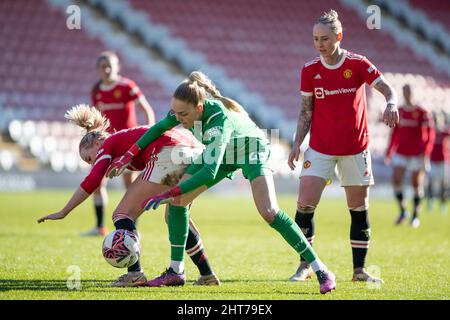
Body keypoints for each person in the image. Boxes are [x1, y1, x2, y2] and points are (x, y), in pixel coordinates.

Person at [107, 71, 337, 294]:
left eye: (183, 115)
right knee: (177, 203)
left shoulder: (218, 118)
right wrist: (130, 153)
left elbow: (208, 171)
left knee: (269, 211)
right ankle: (176, 272)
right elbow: (158, 128)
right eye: (175, 114)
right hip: (222, 154)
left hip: (251, 148)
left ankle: (320, 269)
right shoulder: (184, 112)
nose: (178, 119)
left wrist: (166, 192)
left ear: (199, 108)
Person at [37, 104, 220, 287]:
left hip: (167, 153)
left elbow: (92, 181)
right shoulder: (121, 140)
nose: (92, 164)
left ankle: (135, 273)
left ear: (96, 144)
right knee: (177, 218)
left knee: (122, 215)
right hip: (195, 154)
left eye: (89, 159)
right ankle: (206, 274)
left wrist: (64, 211)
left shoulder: (106, 144)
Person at [287, 10, 399, 284]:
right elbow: (305, 111)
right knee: (304, 205)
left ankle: (359, 271)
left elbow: (386, 88)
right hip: (321, 148)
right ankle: (305, 265)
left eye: (325, 39)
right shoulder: (310, 70)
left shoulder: (358, 63)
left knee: (358, 209)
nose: (319, 44)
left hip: (355, 148)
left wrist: (392, 103)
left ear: (339, 36)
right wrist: (296, 144)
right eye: (315, 39)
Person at [83, 51, 156, 237]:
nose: (106, 70)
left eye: (109, 66)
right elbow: (96, 118)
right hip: (105, 145)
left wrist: (150, 130)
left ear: (117, 68)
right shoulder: (96, 90)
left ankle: (133, 228)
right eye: (102, 66)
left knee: (131, 187)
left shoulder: (127, 86)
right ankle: (100, 226)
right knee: (97, 183)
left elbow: (145, 108)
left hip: (128, 146)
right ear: (97, 70)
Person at [385, 84, 435, 228]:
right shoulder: (398, 110)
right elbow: (394, 133)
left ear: (413, 93)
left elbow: (430, 135)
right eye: (404, 91)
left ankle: (415, 216)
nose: (407, 94)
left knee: (416, 184)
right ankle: (403, 211)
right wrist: (389, 151)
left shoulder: (422, 112)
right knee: (396, 179)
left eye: (409, 91)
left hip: (417, 155)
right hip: (401, 152)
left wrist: (426, 153)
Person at [425, 111, 450, 214]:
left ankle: (443, 203)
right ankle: (430, 201)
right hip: (432, 161)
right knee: (430, 182)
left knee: (444, 184)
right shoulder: (431, 132)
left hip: (443, 161)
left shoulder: (445, 132)